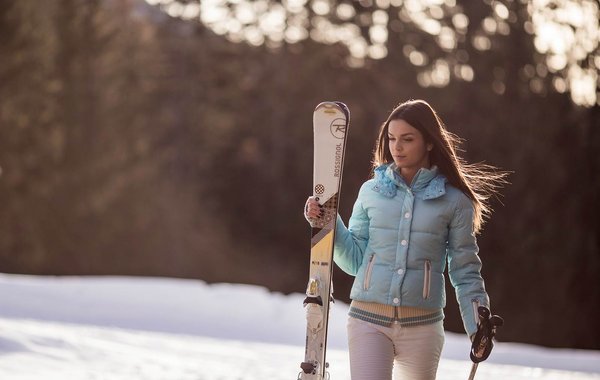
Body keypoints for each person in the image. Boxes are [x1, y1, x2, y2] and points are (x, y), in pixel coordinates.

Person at [304, 99, 507, 380]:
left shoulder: (455, 202)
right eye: (391, 139)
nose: (396, 147)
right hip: (367, 322)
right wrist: (328, 222)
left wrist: (477, 327)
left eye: (407, 139)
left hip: (422, 328)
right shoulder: (371, 191)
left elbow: (465, 271)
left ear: (429, 143)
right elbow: (353, 261)